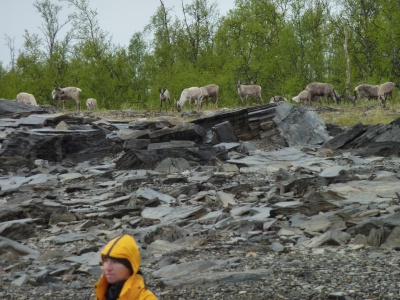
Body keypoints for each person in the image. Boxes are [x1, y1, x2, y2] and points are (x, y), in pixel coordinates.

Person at [94, 234, 157, 300]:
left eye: (115, 262)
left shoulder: (146, 298)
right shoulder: (103, 294)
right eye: (105, 260)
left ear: (130, 266)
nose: (107, 268)